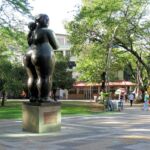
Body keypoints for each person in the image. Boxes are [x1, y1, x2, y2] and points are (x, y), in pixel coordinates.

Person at [23, 14, 59, 103]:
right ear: (45, 21)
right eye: (48, 20)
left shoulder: (32, 33)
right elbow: (56, 46)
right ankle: (44, 97)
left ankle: (33, 97)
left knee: (32, 77)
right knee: (45, 77)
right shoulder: (48, 31)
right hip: (42, 54)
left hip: (28, 54)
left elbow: (29, 43)